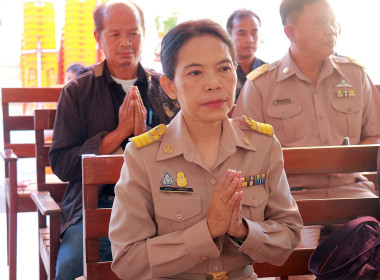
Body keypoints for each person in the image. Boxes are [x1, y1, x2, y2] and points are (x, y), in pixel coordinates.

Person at [109, 19, 302, 280]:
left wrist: (243, 230)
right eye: (195, 73)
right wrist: (207, 230)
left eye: (224, 68)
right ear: (170, 86)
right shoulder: (144, 157)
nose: (214, 83)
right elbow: (128, 261)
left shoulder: (262, 146)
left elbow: (288, 235)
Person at [233, 0, 380, 277]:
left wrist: (349, 159)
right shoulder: (262, 84)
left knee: (373, 257)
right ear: (290, 31)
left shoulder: (355, 74)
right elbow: (244, 152)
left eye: (333, 22)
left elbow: (375, 133)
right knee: (299, 269)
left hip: (351, 191)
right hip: (291, 199)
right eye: (320, 22)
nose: (331, 30)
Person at [49, 1, 179, 279]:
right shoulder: (77, 92)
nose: (126, 43)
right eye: (115, 34)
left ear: (144, 33)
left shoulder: (166, 88)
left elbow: (181, 156)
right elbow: (61, 165)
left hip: (158, 205)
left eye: (133, 33)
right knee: (72, 267)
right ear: (98, 37)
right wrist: (119, 134)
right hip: (92, 207)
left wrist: (145, 137)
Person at [226, 9, 267, 102]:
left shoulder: (270, 73)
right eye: (242, 34)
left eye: (254, 33)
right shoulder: (222, 71)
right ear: (229, 36)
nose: (250, 39)